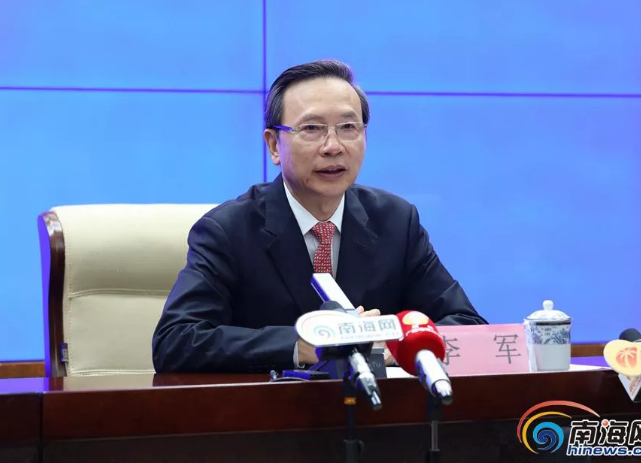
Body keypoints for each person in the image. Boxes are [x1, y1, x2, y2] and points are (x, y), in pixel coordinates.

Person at [152, 59, 487, 373]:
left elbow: (469, 327)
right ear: (273, 145)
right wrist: (303, 345)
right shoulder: (229, 230)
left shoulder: (396, 222)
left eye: (348, 127)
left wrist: (394, 342)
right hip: (271, 410)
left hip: (375, 409)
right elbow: (176, 341)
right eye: (312, 128)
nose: (333, 146)